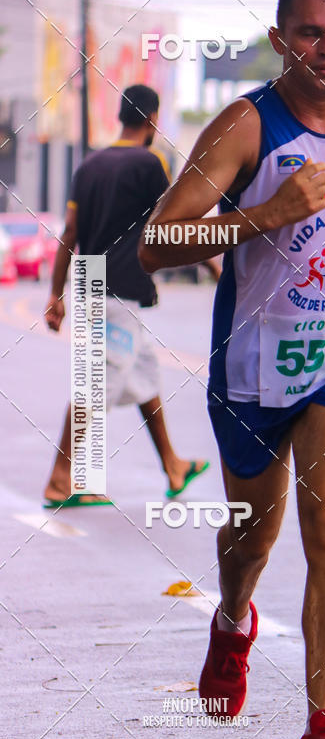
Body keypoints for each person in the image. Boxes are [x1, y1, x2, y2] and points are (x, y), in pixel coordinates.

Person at [139, 0, 325, 739]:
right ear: (279, 40)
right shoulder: (245, 125)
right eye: (309, 34)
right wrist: (271, 210)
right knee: (252, 541)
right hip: (255, 365)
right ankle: (232, 624)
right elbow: (157, 242)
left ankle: (321, 732)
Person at [44, 84, 209, 508]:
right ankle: (60, 479)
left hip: (93, 282)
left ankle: (172, 465)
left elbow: (70, 233)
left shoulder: (89, 165)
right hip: (120, 288)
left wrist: (55, 293)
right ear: (152, 119)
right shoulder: (150, 163)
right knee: (94, 385)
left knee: (143, 377)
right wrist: (217, 267)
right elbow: (178, 223)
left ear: (121, 115)